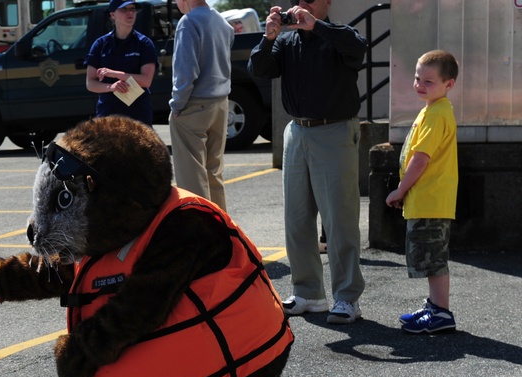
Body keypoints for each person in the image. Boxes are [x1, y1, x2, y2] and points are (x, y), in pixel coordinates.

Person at [248, 1, 368, 324]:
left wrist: (316, 25)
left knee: (339, 218)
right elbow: (258, 68)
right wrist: (269, 36)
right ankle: (308, 293)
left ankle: (347, 298)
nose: (302, 5)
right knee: (296, 217)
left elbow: (358, 49)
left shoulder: (338, 34)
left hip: (334, 129)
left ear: (327, 3)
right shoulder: (287, 40)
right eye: (298, 0)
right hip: (297, 130)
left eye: (311, 0)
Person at [386, 50, 459, 335]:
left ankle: (441, 313)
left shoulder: (436, 113)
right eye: (418, 78)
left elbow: (421, 158)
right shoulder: (432, 109)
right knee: (431, 257)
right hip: (428, 200)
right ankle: (435, 308)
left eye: (428, 81)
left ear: (448, 84)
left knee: (433, 259)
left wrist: (400, 190)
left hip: (430, 201)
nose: (420, 84)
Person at [168, 0, 234, 211]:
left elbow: (186, 73)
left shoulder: (188, 23)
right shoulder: (222, 22)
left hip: (194, 105)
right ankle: (222, 229)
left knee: (192, 178)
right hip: (220, 103)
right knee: (214, 172)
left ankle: (202, 233)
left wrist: (176, 105)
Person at [85, 0, 158, 127]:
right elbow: (90, 83)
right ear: (113, 15)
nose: (130, 13)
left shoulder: (144, 44)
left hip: (138, 116)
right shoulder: (100, 44)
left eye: (133, 9)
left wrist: (115, 74)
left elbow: (146, 81)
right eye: (124, 9)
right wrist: (112, 87)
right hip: (108, 115)